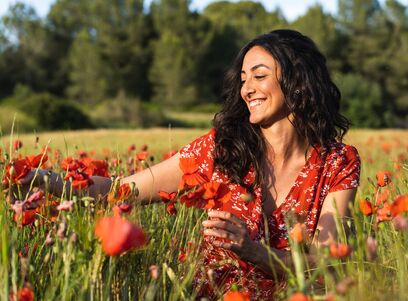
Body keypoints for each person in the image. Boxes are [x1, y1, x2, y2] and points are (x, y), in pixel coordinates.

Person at [19, 29, 360, 300]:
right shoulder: (220, 150)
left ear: (298, 80)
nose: (247, 89)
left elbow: (325, 262)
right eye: (243, 79)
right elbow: (123, 190)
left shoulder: (336, 162)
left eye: (259, 76)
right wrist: (38, 179)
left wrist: (253, 251)